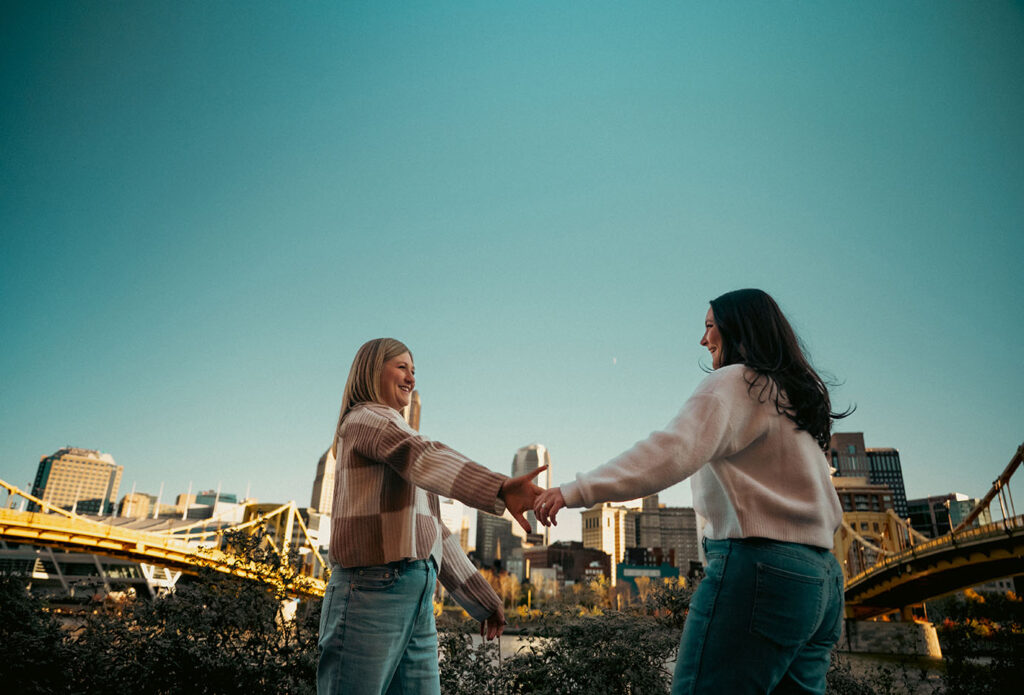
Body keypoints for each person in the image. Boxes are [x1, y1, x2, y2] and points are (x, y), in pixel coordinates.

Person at [534, 289, 849, 695]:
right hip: (823, 581)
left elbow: (670, 451)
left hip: (761, 571)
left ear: (736, 329)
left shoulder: (735, 383)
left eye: (710, 327)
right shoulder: (795, 400)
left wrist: (575, 490)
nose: (703, 340)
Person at [318, 338, 545, 695]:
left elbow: (432, 534)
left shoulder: (397, 436)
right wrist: (499, 487)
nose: (411, 378)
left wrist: (484, 600)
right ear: (371, 371)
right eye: (402, 367)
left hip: (417, 602)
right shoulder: (364, 419)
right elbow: (422, 452)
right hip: (369, 595)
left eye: (414, 371)